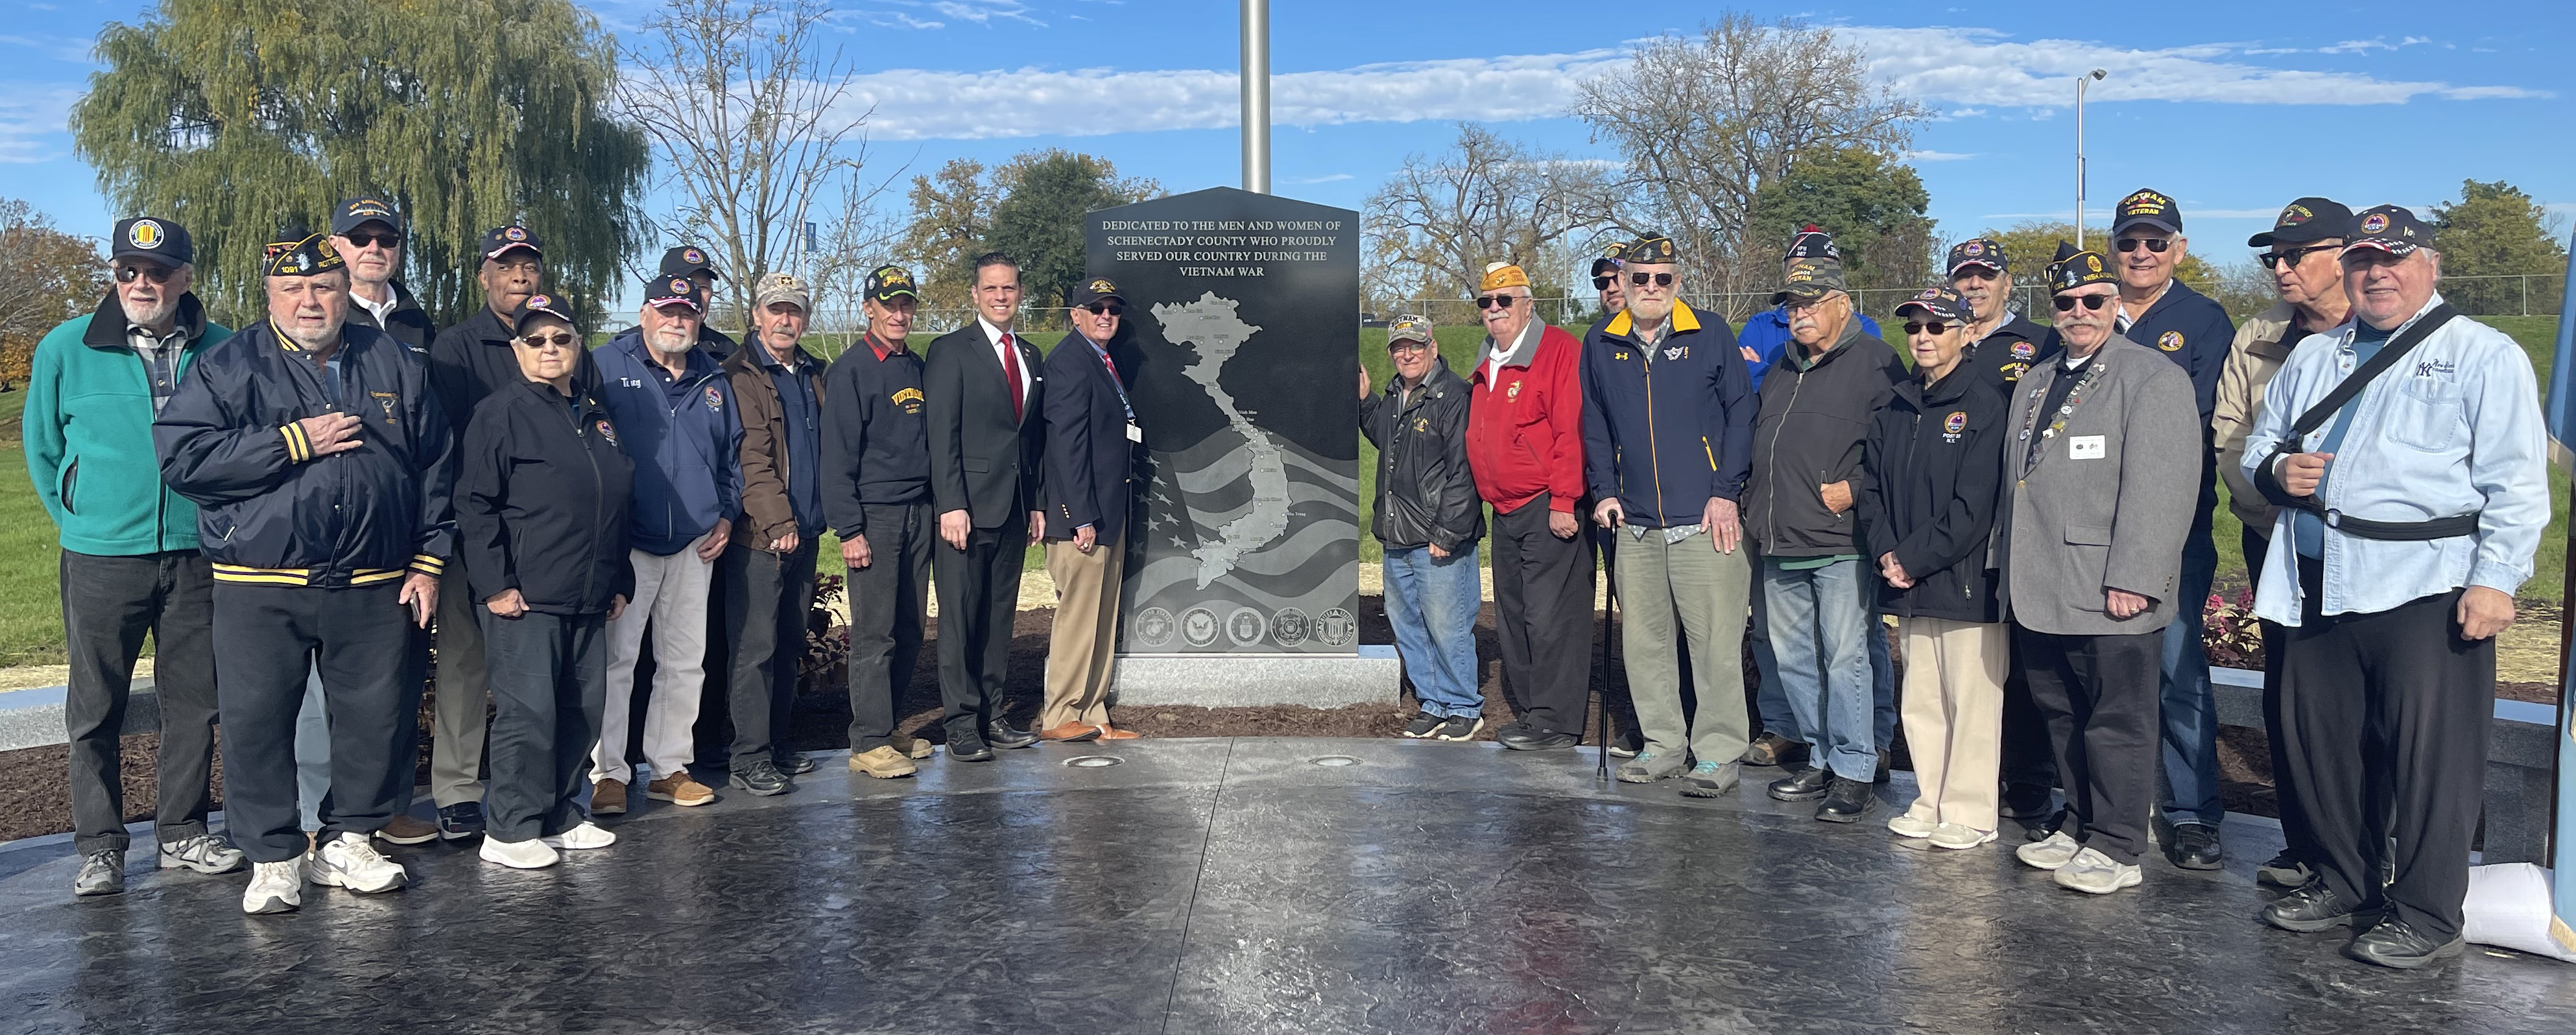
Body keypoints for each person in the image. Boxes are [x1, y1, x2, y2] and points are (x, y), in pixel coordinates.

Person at [2245, 205, 2547, 970]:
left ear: (2430, 266)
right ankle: (2345, 881)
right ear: (2347, 271)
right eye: (2363, 261)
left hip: (2426, 584)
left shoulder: (2483, 354)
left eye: (2394, 259)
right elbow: (2260, 443)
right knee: (2327, 749)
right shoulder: (2317, 354)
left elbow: (2515, 483)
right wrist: (2278, 471)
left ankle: (2426, 910)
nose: (2377, 273)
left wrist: (2497, 579)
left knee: (2427, 761)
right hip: (2316, 578)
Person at [155, 229, 451, 915]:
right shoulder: (229, 366)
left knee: (376, 719)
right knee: (257, 724)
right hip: (262, 582)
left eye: (323, 286)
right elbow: (185, 461)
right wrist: (293, 443)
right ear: (270, 297)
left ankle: (351, 838)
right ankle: (274, 856)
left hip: (377, 581)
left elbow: (437, 465)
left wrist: (429, 561)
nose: (309, 301)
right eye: (292, 289)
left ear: (346, 290)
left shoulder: (395, 361)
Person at [25, 215, 241, 897]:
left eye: (156, 271)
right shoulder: (65, 348)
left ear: (184, 276)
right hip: (101, 556)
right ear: (114, 273)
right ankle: (101, 845)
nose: (141, 283)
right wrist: (81, 514)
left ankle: (181, 832)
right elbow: (42, 447)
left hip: (197, 551)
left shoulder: (225, 349)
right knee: (95, 708)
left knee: (195, 703)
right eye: (127, 270)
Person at [1999, 243, 2199, 896]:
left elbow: (2164, 485)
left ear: (2115, 304)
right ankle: (2080, 821)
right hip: (2043, 580)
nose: (2079, 312)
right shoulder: (2036, 379)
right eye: (2066, 302)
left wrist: (2137, 575)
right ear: (2052, 311)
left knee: (2117, 718)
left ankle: (2117, 843)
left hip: (2110, 583)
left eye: (2093, 300)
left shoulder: (2150, 377)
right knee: (2061, 710)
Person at [455, 294, 630, 868]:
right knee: (528, 712)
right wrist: (496, 585)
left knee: (582, 706)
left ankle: (558, 813)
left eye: (561, 339)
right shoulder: (500, 413)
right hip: (526, 597)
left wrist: (619, 575)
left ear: (579, 346)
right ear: (517, 349)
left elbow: (613, 499)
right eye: (537, 341)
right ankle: (509, 828)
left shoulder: (594, 413)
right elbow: (475, 506)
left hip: (589, 590)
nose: (550, 349)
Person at [1580, 233, 1756, 796]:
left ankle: (1719, 752)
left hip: (1705, 519)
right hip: (1633, 521)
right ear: (1624, 282)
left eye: (1663, 278)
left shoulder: (1709, 334)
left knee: (1713, 644)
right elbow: (1594, 424)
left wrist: (1726, 491)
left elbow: (1741, 413)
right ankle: (1662, 745)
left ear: (1678, 283)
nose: (1650, 288)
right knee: (1646, 643)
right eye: (1639, 278)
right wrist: (1603, 490)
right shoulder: (1602, 343)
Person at [2212, 197, 2353, 890]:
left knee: (2368, 698)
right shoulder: (2258, 335)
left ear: (2346, 255)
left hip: (2374, 551)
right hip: (2277, 539)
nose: (2281, 268)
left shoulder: (2394, 330)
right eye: (2273, 257)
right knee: (2290, 693)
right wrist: (2271, 507)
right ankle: (2304, 845)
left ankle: (2366, 848)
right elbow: (2231, 435)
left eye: (2296, 254)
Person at [2104, 188, 2238, 870]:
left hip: (2171, 525)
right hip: (2093, 530)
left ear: (2178, 249)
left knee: (2178, 670)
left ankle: (2191, 813)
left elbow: (2200, 427)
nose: (2143, 254)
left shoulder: (2204, 320)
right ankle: (2105, 808)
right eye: (2131, 242)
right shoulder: (2087, 309)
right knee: (2102, 674)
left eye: (2157, 242)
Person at [1745, 260, 1907, 823]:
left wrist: (1856, 488)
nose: (1799, 314)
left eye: (1811, 302)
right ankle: (1819, 755)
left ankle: (1856, 767)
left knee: (1846, 659)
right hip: (1779, 536)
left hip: (1840, 540)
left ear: (1843, 302)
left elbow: (1899, 444)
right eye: (1792, 305)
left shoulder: (1876, 362)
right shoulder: (1783, 366)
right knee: (1793, 660)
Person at [411, 224, 555, 844]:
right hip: (477, 528)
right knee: (467, 664)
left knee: (537, 666)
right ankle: (459, 790)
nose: (520, 277)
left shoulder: (557, 337)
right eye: (507, 267)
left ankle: (535, 782)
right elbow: (444, 445)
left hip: (544, 533)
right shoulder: (456, 347)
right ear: (485, 277)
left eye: (529, 267)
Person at [1860, 287, 2010, 850]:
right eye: (1915, 327)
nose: (1923, 337)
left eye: (1937, 327)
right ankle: (1930, 800)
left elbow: (1976, 504)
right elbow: (1871, 488)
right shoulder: (1897, 403)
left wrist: (1914, 558)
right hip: (1906, 580)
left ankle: (1970, 812)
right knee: (1922, 699)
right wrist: (1886, 554)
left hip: (1965, 579)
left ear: (1967, 334)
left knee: (1970, 701)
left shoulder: (1986, 403)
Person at [590, 275, 741, 812]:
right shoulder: (606, 365)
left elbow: (732, 460)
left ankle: (669, 767)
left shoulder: (714, 378)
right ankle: (608, 772)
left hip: (695, 543)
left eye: (688, 312)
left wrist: (726, 515)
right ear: (644, 313)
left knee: (684, 662)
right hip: (629, 541)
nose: (678, 321)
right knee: (617, 661)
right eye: (667, 311)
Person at [1944, 236, 2061, 831]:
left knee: (2027, 661)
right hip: (1960, 522)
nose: (1974, 287)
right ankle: (1973, 780)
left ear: (2007, 283)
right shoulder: (1939, 340)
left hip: (2022, 519)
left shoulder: (2040, 342)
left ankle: (2032, 783)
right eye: (1963, 277)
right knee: (1974, 664)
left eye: (1985, 277)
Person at [924, 252, 1047, 761]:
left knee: (999, 618)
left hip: (1015, 510)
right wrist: (951, 503)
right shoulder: (950, 351)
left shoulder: (1031, 355)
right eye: (991, 288)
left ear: (1021, 293)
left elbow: (1032, 438)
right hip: (967, 512)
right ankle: (960, 722)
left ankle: (992, 713)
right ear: (974, 294)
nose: (1001, 297)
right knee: (959, 619)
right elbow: (941, 434)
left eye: (1010, 288)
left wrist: (1037, 503)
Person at [1464, 263, 1591, 750]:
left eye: (1505, 301)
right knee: (1513, 616)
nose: (1495, 311)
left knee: (1551, 617)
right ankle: (1533, 711)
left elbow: (1570, 430)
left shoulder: (1559, 351)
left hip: (1546, 506)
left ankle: (1558, 722)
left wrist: (1564, 500)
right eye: (1486, 303)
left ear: (1528, 304)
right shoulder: (1487, 359)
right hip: (1505, 509)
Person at [711, 274, 829, 796]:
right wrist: (777, 521)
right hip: (762, 539)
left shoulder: (811, 372)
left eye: (795, 312)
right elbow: (751, 460)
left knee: (786, 645)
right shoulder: (740, 376)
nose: (786, 320)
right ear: (757, 314)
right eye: (776, 310)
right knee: (753, 649)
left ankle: (777, 744)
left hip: (806, 533)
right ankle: (749, 755)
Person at [823, 267, 939, 778]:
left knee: (911, 628)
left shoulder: (915, 366)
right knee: (875, 633)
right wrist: (850, 529)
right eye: (889, 305)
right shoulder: (850, 370)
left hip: (919, 512)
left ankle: (888, 725)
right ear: (868, 307)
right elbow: (837, 457)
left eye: (906, 305)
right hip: (875, 517)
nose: (899, 314)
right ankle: (866, 741)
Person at [1361, 315, 1485, 740]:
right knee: (1409, 624)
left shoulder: (1454, 396)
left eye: (1415, 345)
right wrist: (1366, 402)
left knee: (1448, 626)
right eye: (1399, 347)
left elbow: (1463, 472)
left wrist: (1446, 532)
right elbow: (1389, 440)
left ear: (1433, 346)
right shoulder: (1397, 394)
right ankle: (1433, 703)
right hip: (1397, 533)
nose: (1407, 354)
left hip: (1437, 536)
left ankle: (1465, 706)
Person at [1039, 277, 1145, 742]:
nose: (1106, 316)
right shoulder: (1068, 362)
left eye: (1113, 309)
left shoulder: (1101, 360)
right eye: (1095, 308)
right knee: (1079, 619)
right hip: (1081, 520)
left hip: (1108, 513)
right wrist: (1080, 514)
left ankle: (1094, 711)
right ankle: (1060, 712)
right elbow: (1065, 446)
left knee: (1103, 618)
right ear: (1075, 315)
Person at [329, 196, 435, 353]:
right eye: (360, 238)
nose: (374, 249)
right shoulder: (322, 316)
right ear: (334, 245)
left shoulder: (418, 321)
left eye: (387, 240)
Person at [660, 244, 741, 359]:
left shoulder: (729, 353)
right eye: (685, 286)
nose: (695, 295)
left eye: (702, 288)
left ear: (711, 294)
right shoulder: (630, 351)